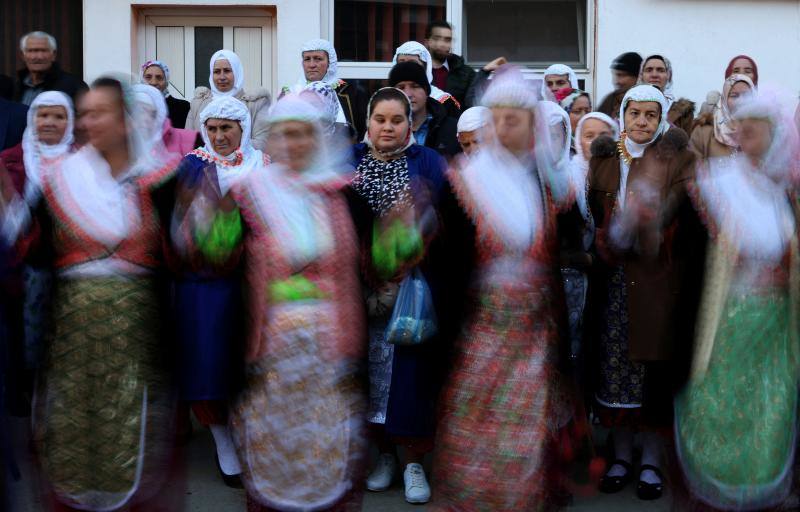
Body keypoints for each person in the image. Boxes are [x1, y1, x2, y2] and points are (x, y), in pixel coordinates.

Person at [0, 76, 182, 511]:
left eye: (98, 112)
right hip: (71, 341)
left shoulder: (160, 181)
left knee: (136, 444)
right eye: (84, 113)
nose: (87, 122)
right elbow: (34, 252)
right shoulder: (63, 178)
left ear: (123, 121)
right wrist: (9, 210)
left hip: (139, 342)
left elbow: (183, 256)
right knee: (74, 445)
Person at [216, 93, 366, 511]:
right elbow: (216, 256)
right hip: (271, 351)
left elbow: (371, 266)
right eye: (287, 134)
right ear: (274, 139)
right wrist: (203, 225)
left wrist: (403, 239)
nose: (295, 143)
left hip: (328, 351)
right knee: (274, 454)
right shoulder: (249, 195)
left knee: (326, 453)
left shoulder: (341, 194)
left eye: (304, 134)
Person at [431, 65, 570, 511]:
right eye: (501, 118)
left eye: (518, 118)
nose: (508, 127)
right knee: (478, 422)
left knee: (525, 425)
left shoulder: (541, 181)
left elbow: (552, 257)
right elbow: (448, 262)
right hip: (480, 331)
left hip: (532, 333)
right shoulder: (464, 181)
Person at [675, 96, 799, 512]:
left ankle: (758, 491)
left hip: (775, 327)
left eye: (757, 124)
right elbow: (690, 262)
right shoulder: (714, 185)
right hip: (725, 326)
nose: (745, 131)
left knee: (770, 411)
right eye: (742, 123)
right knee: (720, 406)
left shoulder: (786, 193)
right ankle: (719, 493)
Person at [588, 84, 702, 501]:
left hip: (656, 280)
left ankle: (651, 460)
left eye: (650, 115)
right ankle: (621, 455)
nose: (641, 122)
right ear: (623, 115)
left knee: (650, 372)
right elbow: (592, 211)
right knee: (615, 371)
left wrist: (650, 224)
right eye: (634, 113)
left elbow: (681, 214)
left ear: (661, 118)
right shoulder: (604, 157)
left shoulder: (677, 158)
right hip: (613, 280)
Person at [353, 87, 450, 505]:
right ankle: (385, 456)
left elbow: (444, 226)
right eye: (380, 119)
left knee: (410, 376)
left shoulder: (428, 162)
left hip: (412, 287)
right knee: (370, 380)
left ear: (411, 124)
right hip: (363, 288)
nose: (388, 127)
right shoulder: (349, 164)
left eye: (397, 120)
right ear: (368, 122)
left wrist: (410, 262)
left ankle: (413, 463)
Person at [170, 95, 268, 489]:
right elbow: (179, 225)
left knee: (250, 362)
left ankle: (250, 437)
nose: (219, 136)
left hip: (255, 275)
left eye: (227, 128)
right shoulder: (194, 165)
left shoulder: (261, 164)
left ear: (243, 129)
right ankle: (222, 440)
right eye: (211, 128)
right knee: (210, 362)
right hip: (208, 280)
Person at [0, 91, 75, 385]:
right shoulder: (9, 162)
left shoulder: (84, 160)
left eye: (59, 116)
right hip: (24, 274)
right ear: (32, 119)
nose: (50, 122)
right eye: (43, 115)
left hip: (73, 272)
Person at [282, 38, 368, 141]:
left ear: (330, 62)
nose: (312, 65)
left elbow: (362, 132)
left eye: (318, 58)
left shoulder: (350, 92)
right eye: (307, 59)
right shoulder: (290, 93)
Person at [185, 50, 271, 151]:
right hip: (204, 165)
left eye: (227, 71)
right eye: (217, 72)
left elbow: (262, 144)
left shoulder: (255, 103)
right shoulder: (198, 103)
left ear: (237, 72)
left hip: (245, 165)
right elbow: (188, 142)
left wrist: (223, 152)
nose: (222, 77)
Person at [388, 62, 460, 158]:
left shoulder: (453, 129)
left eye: (415, 86)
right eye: (401, 87)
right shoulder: (384, 130)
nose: (408, 94)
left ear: (426, 91)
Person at [690, 74, 755, 161]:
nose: (740, 101)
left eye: (746, 96)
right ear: (724, 100)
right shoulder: (703, 134)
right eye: (734, 96)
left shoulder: (763, 134)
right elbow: (691, 169)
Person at [13, 31, 87, 106]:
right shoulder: (15, 87)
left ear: (54, 55)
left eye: (44, 51)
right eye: (32, 51)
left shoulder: (74, 86)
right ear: (22, 55)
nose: (39, 57)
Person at [392, 41, 461, 117]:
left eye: (413, 63)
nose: (407, 68)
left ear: (425, 67)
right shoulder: (387, 98)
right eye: (402, 63)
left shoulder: (444, 101)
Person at [133, 83, 202, 156]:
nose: (146, 118)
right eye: (140, 111)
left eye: (152, 113)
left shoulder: (191, 139)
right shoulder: (123, 146)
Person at [424, 20, 476, 108]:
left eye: (447, 40)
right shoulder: (418, 71)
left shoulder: (466, 74)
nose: (442, 44)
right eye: (437, 38)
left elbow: (471, 106)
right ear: (427, 42)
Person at [141, 59, 191, 129]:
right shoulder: (133, 107)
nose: (153, 82)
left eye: (159, 78)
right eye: (148, 77)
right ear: (141, 80)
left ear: (166, 82)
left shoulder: (183, 107)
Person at [597, 52, 643, 120]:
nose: (616, 81)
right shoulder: (609, 100)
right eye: (615, 75)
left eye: (622, 75)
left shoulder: (646, 102)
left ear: (637, 77)